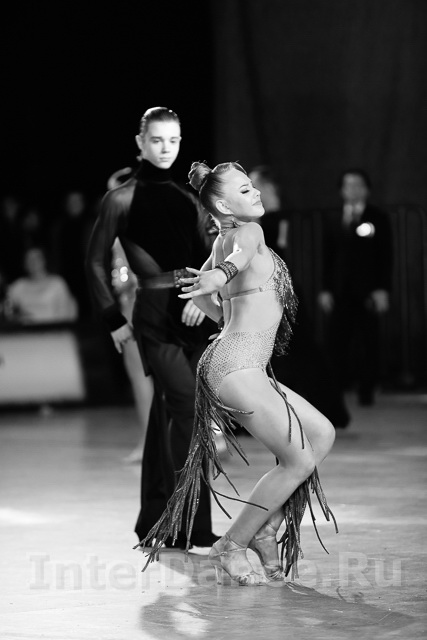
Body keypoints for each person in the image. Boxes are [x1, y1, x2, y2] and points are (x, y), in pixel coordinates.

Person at [137, 161, 337, 585]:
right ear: (225, 207)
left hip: (238, 362)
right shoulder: (249, 233)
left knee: (321, 434)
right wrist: (219, 276)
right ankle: (231, 544)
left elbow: (210, 300)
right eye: (245, 190)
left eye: (252, 186)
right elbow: (236, 261)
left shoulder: (220, 241)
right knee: (298, 459)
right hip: (238, 365)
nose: (256, 193)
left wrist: (213, 289)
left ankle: (264, 529)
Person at [85, 107, 219, 549]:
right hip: (154, 317)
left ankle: (157, 521)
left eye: (173, 141)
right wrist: (113, 319)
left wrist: (203, 297)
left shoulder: (188, 197)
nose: (165, 149)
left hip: (193, 313)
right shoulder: (120, 199)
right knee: (187, 410)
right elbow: (95, 261)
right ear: (140, 142)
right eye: (157, 140)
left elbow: (210, 255)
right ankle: (187, 524)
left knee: (171, 414)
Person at [249, 166, 350, 428]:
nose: (249, 187)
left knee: (293, 348)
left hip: (276, 287)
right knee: (288, 349)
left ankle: (300, 411)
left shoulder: (265, 218)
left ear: (267, 186)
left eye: (253, 183)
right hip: (276, 284)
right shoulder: (270, 217)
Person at [318, 169, 393, 406]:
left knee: (368, 341)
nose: (353, 189)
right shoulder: (333, 217)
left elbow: (385, 256)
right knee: (336, 341)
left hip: (368, 291)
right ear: (341, 190)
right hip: (340, 290)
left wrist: (382, 289)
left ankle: (367, 390)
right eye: (348, 185)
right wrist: (325, 288)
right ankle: (336, 390)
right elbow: (327, 256)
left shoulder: (378, 217)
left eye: (358, 185)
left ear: (367, 189)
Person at [5, 246, 78, 324]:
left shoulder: (57, 283)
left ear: (44, 260)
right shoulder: (19, 286)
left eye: (37, 258)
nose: (33, 262)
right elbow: (7, 308)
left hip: (53, 328)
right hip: (26, 329)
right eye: (29, 259)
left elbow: (66, 314)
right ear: (24, 263)